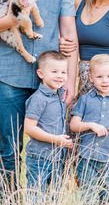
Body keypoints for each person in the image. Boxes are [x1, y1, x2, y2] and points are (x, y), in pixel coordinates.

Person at [0, 0, 78, 190]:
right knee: (8, 150)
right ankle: (10, 198)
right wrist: (11, 19)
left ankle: (44, 198)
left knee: (50, 149)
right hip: (7, 76)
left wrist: (70, 80)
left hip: (51, 83)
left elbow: (69, 34)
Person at [70, 54, 109, 204]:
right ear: (91, 78)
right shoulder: (85, 100)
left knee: (108, 195)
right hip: (87, 157)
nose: (105, 80)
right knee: (88, 196)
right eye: (99, 76)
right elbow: (74, 125)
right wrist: (90, 125)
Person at [24, 51, 73, 195]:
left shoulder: (60, 96)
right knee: (36, 195)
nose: (60, 76)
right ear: (41, 73)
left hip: (58, 158)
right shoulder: (38, 99)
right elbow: (29, 128)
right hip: (40, 157)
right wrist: (56, 140)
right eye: (54, 71)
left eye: (63, 72)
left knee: (55, 196)